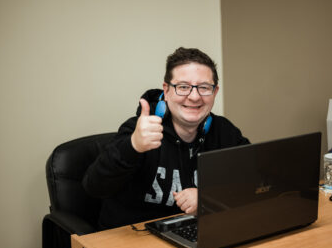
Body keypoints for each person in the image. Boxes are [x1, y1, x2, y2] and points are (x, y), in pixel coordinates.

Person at [83, 47, 250, 230]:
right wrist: (133, 146)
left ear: (215, 92)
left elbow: (256, 181)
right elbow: (94, 187)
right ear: (167, 89)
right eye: (183, 87)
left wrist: (208, 196)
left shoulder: (224, 132)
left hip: (194, 235)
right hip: (135, 241)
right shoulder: (138, 130)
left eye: (204, 88)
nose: (194, 97)